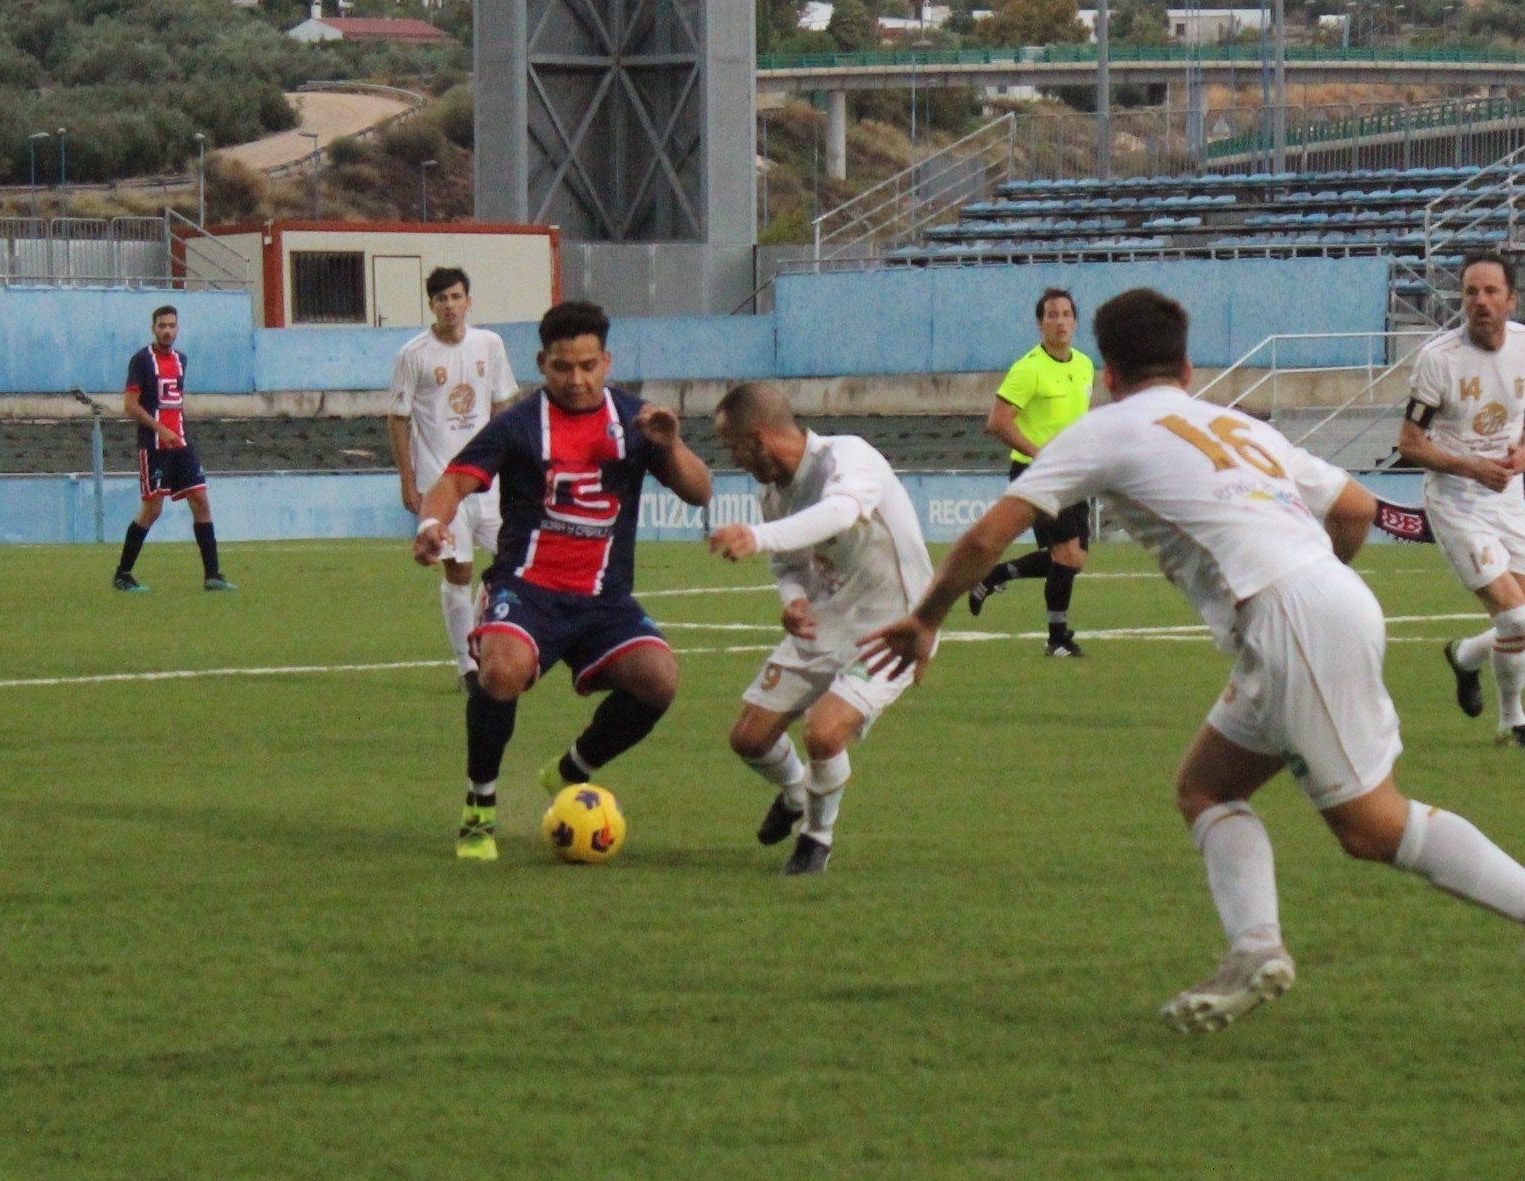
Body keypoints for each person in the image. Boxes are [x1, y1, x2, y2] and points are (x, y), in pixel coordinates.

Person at [863, 288, 1525, 1034]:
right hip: (1312, 604)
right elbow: (1353, 508)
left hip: (1288, 615)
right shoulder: (1233, 422)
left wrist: (925, 620)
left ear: (1106, 372)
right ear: (1186, 364)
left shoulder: (1103, 428)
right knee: (1206, 787)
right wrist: (1320, 586)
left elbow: (988, 535)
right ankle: (1254, 950)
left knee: (1370, 825)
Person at [413, 300, 716, 861]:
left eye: (586, 366)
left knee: (659, 678)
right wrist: (434, 523)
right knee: (500, 671)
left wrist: (670, 445)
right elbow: (453, 481)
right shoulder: (519, 425)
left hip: (604, 600)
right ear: (541, 364)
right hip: (526, 591)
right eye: (561, 367)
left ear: (606, 360)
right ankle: (479, 808)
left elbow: (700, 492)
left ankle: (572, 770)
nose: (575, 379)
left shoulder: (637, 422)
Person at [704, 381, 934, 877]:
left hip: (892, 626)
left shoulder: (846, 457)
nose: (735, 461)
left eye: (734, 448)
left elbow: (840, 512)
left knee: (825, 733)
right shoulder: (773, 496)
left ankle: (816, 838)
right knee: (748, 739)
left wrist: (756, 537)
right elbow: (789, 567)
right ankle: (793, 792)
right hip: (827, 622)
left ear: (760, 439)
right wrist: (794, 603)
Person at [1397, 253, 1525, 748]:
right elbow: (1409, 443)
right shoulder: (1438, 359)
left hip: (1506, 496)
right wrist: (1473, 467)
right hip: (1457, 500)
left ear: (1511, 299)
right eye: (1471, 292)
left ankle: (1466, 656)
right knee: (1513, 618)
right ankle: (1513, 722)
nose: (1480, 302)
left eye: (1491, 292)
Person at [388, 267, 520, 678]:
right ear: (431, 305)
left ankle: (483, 619)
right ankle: (467, 667)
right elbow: (397, 418)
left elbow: (505, 405)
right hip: (440, 482)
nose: (450, 305)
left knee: (515, 562)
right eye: (441, 298)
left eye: (456, 297)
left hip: (489, 480)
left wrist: (517, 465)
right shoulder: (414, 354)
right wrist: (408, 481)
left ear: (468, 301)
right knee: (457, 570)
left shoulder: (490, 344)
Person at [969, 286, 1095, 657]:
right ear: (1040, 323)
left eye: (1066, 314)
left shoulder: (1085, 365)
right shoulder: (1028, 369)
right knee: (1066, 553)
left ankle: (994, 576)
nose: (1059, 321)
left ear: (1075, 321)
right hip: (1036, 474)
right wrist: (1040, 454)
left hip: (1073, 474)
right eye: (1051, 315)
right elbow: (997, 422)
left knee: (1074, 559)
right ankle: (1057, 639)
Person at [113, 304, 232, 593]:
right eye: (162, 326)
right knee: (152, 509)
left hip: (180, 443)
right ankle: (123, 574)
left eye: (172, 326)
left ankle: (212, 575)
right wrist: (160, 429)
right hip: (154, 446)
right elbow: (130, 406)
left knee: (201, 501)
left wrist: (176, 430)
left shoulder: (182, 360)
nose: (167, 331)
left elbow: (174, 403)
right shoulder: (141, 360)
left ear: (177, 329)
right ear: (153, 328)